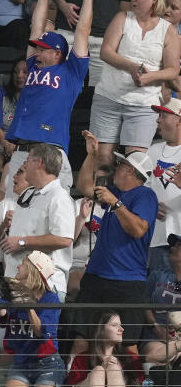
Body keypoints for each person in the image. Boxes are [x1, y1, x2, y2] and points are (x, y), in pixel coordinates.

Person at [3, 0, 100, 195]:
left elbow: (82, 30)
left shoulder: (71, 72)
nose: (37, 52)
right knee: (13, 212)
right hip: (22, 151)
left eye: (43, 49)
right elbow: (36, 26)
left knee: (51, 210)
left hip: (50, 151)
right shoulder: (32, 66)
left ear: (57, 53)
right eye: (36, 48)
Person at [74, 131, 158, 349]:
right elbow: (84, 186)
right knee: (82, 337)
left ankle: (135, 383)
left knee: (127, 343)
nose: (116, 168)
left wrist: (116, 204)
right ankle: (75, 381)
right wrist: (92, 156)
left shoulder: (145, 195)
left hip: (126, 281)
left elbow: (139, 229)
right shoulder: (114, 193)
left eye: (121, 164)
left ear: (130, 171)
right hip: (96, 276)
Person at [90, 0, 179, 169]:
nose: (133, 0)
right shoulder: (122, 17)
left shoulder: (167, 30)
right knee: (102, 160)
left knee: (135, 165)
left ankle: (125, 200)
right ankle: (100, 198)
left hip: (144, 104)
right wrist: (132, 67)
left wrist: (151, 76)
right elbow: (106, 51)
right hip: (108, 97)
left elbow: (173, 69)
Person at [0, 251, 65, 387]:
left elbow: (42, 332)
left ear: (34, 270)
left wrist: (28, 305)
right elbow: (1, 313)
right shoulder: (15, 292)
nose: (18, 266)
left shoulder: (51, 299)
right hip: (21, 363)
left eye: (23, 263)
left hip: (48, 364)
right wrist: (1, 302)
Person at [1, 142, 75, 301]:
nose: (24, 165)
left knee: (38, 327)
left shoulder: (59, 197)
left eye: (28, 159)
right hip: (15, 281)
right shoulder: (28, 193)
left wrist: (22, 241)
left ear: (39, 163)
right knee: (11, 327)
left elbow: (64, 239)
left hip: (43, 285)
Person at [66, 310, 142, 387]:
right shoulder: (82, 357)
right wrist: (100, 375)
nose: (121, 329)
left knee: (113, 369)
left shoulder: (131, 358)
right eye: (115, 325)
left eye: (120, 325)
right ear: (100, 329)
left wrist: (113, 381)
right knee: (98, 370)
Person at [52, 0, 132, 87]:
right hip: (69, 32)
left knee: (97, 93)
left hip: (104, 38)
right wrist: (63, 5)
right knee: (60, 86)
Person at [145, 97, 181, 277]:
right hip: (157, 238)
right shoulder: (152, 151)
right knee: (156, 298)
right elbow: (142, 190)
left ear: (179, 120)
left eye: (163, 115)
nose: (158, 120)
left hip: (180, 238)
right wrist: (149, 204)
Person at [142, 232, 181, 365]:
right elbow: (145, 303)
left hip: (178, 337)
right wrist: (155, 326)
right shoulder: (157, 275)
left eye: (178, 245)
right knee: (152, 357)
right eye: (173, 246)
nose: (172, 248)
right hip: (155, 335)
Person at [0, 56, 28, 159]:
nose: (19, 75)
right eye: (15, 72)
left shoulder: (37, 99)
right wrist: (5, 143)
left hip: (24, 146)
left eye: (25, 72)